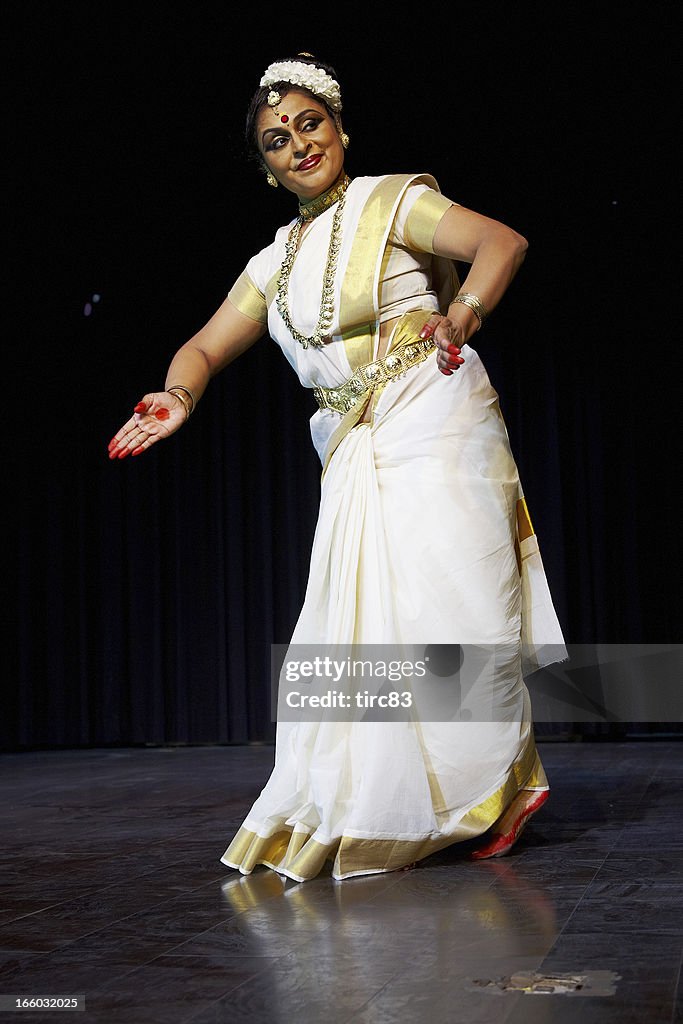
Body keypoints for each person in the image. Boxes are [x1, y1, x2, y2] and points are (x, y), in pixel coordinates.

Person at [108, 53, 567, 881]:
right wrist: (178, 395)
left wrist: (459, 315)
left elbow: (501, 243)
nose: (299, 145)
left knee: (451, 605)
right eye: (277, 140)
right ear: (268, 168)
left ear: (339, 126)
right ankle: (409, 798)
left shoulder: (396, 202)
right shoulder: (271, 264)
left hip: (432, 409)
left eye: (309, 124)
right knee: (365, 632)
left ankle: (499, 785)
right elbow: (206, 346)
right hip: (352, 442)